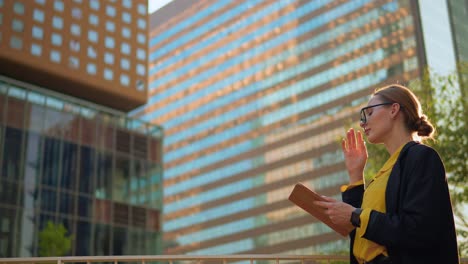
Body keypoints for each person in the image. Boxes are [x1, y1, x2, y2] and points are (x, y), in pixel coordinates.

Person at [315, 84, 459, 263]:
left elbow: (418, 229)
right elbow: (362, 231)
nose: (362, 122)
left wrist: (355, 215)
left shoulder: (421, 157)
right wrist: (355, 174)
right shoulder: (387, 171)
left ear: (394, 109)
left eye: (369, 113)